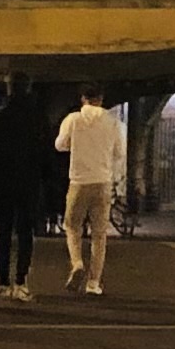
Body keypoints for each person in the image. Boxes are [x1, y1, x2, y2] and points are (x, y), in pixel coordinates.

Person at [0, 87, 59, 300]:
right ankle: (21, 280)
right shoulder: (38, 119)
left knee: (3, 231)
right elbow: (47, 152)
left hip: (3, 183)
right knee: (26, 232)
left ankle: (2, 280)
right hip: (30, 183)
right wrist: (47, 179)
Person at [56, 87, 126, 295]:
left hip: (78, 181)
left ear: (83, 99)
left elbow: (60, 145)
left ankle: (77, 263)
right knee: (99, 234)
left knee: (72, 226)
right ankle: (93, 282)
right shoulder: (113, 122)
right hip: (103, 182)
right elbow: (120, 153)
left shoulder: (73, 119)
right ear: (101, 99)